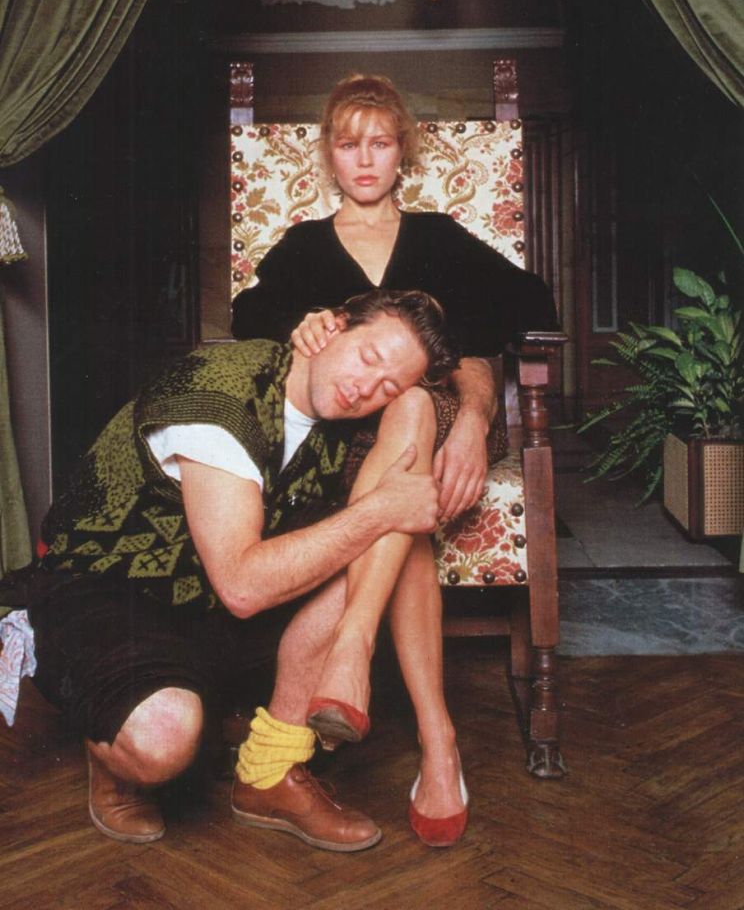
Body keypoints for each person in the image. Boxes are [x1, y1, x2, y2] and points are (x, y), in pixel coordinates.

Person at [231, 74, 560, 846]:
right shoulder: (305, 247)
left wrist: (472, 408)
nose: (364, 159)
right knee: (402, 510)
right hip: (345, 444)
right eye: (349, 144)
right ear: (329, 154)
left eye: (379, 143)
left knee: (411, 406)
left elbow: (531, 302)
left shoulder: (438, 238)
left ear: (401, 152)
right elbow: (248, 314)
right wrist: (300, 324)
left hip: (440, 420)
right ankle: (439, 741)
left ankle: (354, 647)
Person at [14, 289, 458, 852]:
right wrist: (378, 511)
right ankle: (113, 754)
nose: (366, 388)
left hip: (208, 603)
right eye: (367, 357)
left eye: (387, 386)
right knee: (163, 738)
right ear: (333, 326)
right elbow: (244, 587)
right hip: (109, 592)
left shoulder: (339, 403)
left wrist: (460, 416)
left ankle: (270, 772)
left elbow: (430, 404)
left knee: (390, 536)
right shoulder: (218, 394)